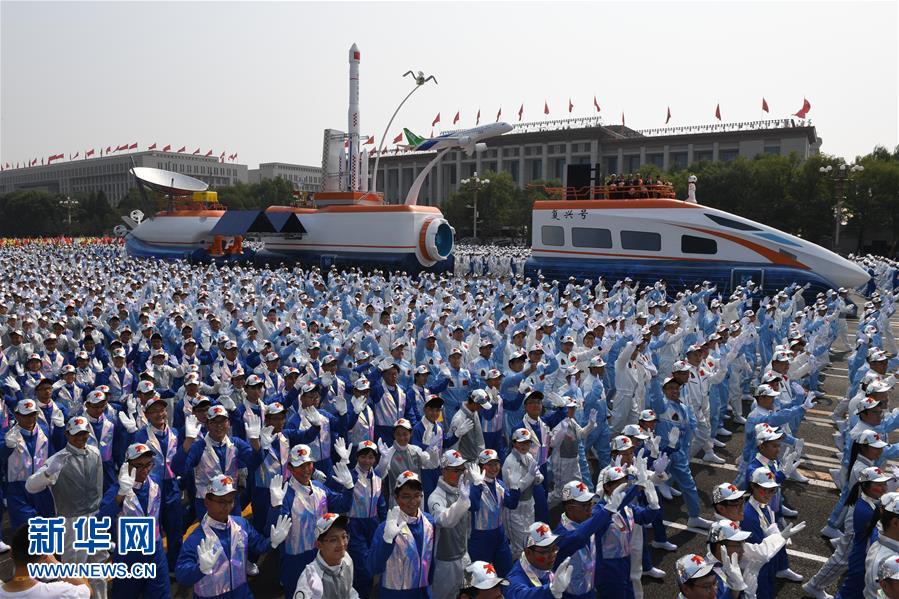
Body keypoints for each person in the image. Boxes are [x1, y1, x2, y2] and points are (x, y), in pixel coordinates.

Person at [24, 415, 106, 598]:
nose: (80, 438)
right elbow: (30, 486)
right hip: (71, 520)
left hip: (95, 517)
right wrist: (47, 473)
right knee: (74, 571)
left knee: (98, 567)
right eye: (76, 434)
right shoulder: (57, 460)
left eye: (84, 434)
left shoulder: (95, 452)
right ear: (67, 434)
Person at [175, 473, 291, 598]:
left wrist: (272, 542)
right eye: (221, 501)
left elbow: (259, 545)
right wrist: (199, 569)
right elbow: (181, 574)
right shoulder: (197, 538)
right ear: (207, 501)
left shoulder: (241, 525)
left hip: (242, 593)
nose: (227, 507)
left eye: (230, 501)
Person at [269, 443, 355, 596]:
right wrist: (276, 507)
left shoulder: (320, 488)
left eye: (309, 464)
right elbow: (276, 528)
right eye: (300, 465)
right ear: (289, 468)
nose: (306, 470)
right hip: (296, 559)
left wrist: (349, 488)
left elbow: (343, 505)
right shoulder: (284, 494)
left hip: (322, 553)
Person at [98, 442, 172, 599]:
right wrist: (121, 495)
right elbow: (101, 521)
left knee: (161, 593)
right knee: (125, 594)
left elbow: (162, 511)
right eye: (138, 465)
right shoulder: (117, 490)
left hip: (154, 549)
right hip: (129, 553)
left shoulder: (156, 482)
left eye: (148, 465)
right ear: (127, 466)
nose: (144, 470)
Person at [368, 471, 437, 599]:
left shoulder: (429, 521)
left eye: (417, 495)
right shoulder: (385, 527)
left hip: (422, 590)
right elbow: (373, 566)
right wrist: (387, 540)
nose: (412, 501)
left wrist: (428, 582)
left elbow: (430, 558)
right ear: (396, 497)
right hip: (395, 593)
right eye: (406, 496)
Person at [429, 449, 475, 599]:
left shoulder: (459, 491)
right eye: (456, 470)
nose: (461, 474)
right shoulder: (436, 496)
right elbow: (445, 520)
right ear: (444, 471)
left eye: (462, 470)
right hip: (445, 561)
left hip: (463, 555)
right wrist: (462, 501)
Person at [0, 525, 90, 599]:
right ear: (44, 556)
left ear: (11, 553)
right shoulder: (59, 591)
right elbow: (87, 590)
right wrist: (56, 564)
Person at [293, 513, 359, 599]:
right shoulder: (310, 578)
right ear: (319, 545)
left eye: (344, 537)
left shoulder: (347, 560)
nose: (342, 544)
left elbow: (349, 590)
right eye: (333, 540)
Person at [505, 522, 574, 599]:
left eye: (554, 548)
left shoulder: (545, 565)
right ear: (528, 552)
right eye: (545, 551)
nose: (552, 555)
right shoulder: (514, 580)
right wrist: (551, 590)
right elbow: (521, 595)